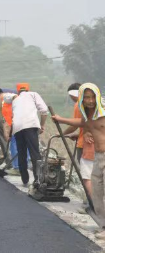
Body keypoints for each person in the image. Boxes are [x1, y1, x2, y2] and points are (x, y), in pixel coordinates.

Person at [52, 83, 105, 240]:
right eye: (86, 97)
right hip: (98, 157)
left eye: (92, 97)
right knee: (96, 192)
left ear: (97, 96)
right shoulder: (87, 116)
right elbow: (81, 123)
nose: (90, 101)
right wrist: (60, 119)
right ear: (82, 99)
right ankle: (103, 226)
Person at [3, 83, 48, 188]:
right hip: (30, 125)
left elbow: (5, 98)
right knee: (34, 152)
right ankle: (37, 179)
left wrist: (14, 96)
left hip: (17, 127)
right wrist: (42, 125)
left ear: (18, 91)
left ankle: (24, 179)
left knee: (21, 152)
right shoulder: (33, 94)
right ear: (28, 90)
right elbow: (44, 111)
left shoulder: (15, 98)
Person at [62, 82, 94, 200]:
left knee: (87, 176)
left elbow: (75, 123)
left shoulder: (79, 104)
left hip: (85, 145)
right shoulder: (96, 104)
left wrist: (62, 133)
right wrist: (78, 134)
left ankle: (90, 203)